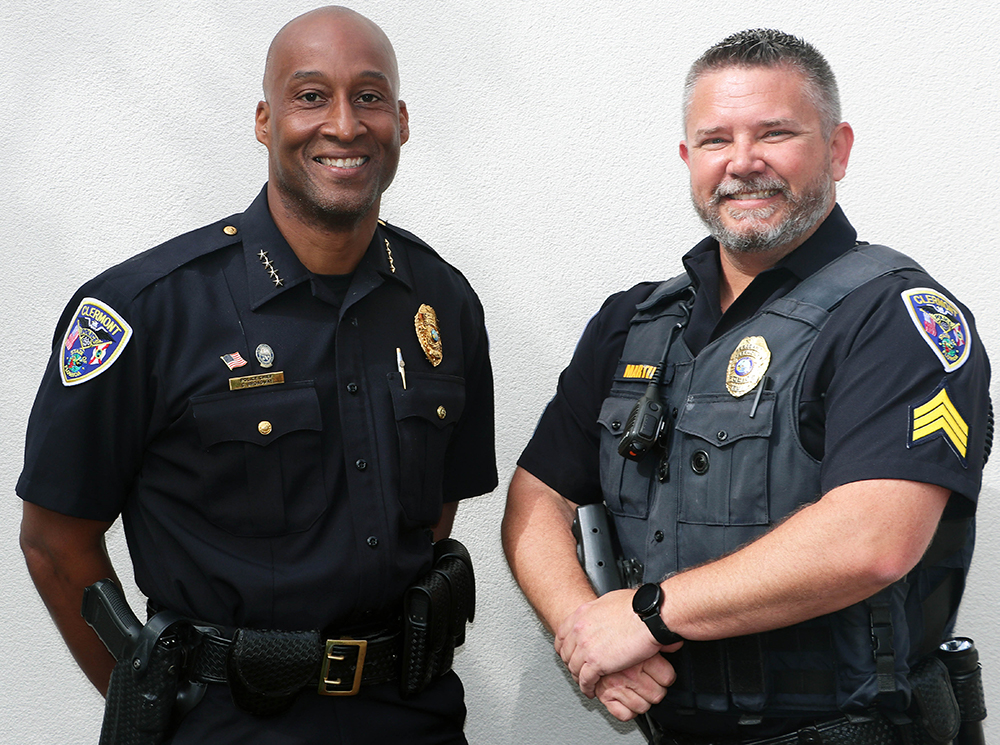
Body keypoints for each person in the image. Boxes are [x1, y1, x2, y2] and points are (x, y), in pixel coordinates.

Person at [18, 6, 496, 744]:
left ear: (400, 120)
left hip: (414, 715)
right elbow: (55, 542)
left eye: (369, 96)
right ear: (264, 120)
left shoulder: (441, 302)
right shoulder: (143, 310)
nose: (343, 123)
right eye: (310, 96)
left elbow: (432, 516)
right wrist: (152, 704)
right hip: (224, 725)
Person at [503, 28, 990, 744]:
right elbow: (535, 498)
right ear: (687, 159)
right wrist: (587, 631)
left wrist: (644, 614)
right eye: (714, 140)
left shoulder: (894, 319)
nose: (742, 163)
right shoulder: (632, 323)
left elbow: (873, 538)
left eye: (775, 133)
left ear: (838, 147)